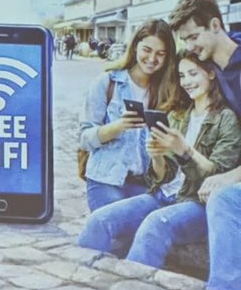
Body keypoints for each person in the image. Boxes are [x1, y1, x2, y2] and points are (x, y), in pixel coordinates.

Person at [77, 55, 241, 267]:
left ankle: (134, 284)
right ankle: (81, 277)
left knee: (154, 226)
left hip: (196, 203)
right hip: (162, 195)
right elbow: (163, 176)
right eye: (182, 76)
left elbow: (216, 177)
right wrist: (157, 155)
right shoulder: (178, 116)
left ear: (210, 74)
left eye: (193, 74)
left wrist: (185, 150)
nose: (187, 81)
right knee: (99, 221)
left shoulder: (226, 119)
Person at [169, 0, 241, 290]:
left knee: (223, 197)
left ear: (214, 25)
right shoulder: (211, 66)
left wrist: (230, 176)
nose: (189, 46)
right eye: (185, 39)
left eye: (193, 37)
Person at [77, 19, 178, 212]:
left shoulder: (168, 92)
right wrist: (118, 126)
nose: (152, 58)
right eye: (147, 50)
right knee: (117, 227)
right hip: (106, 180)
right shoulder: (107, 82)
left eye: (160, 54)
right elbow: (84, 139)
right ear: (135, 46)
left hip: (146, 185)